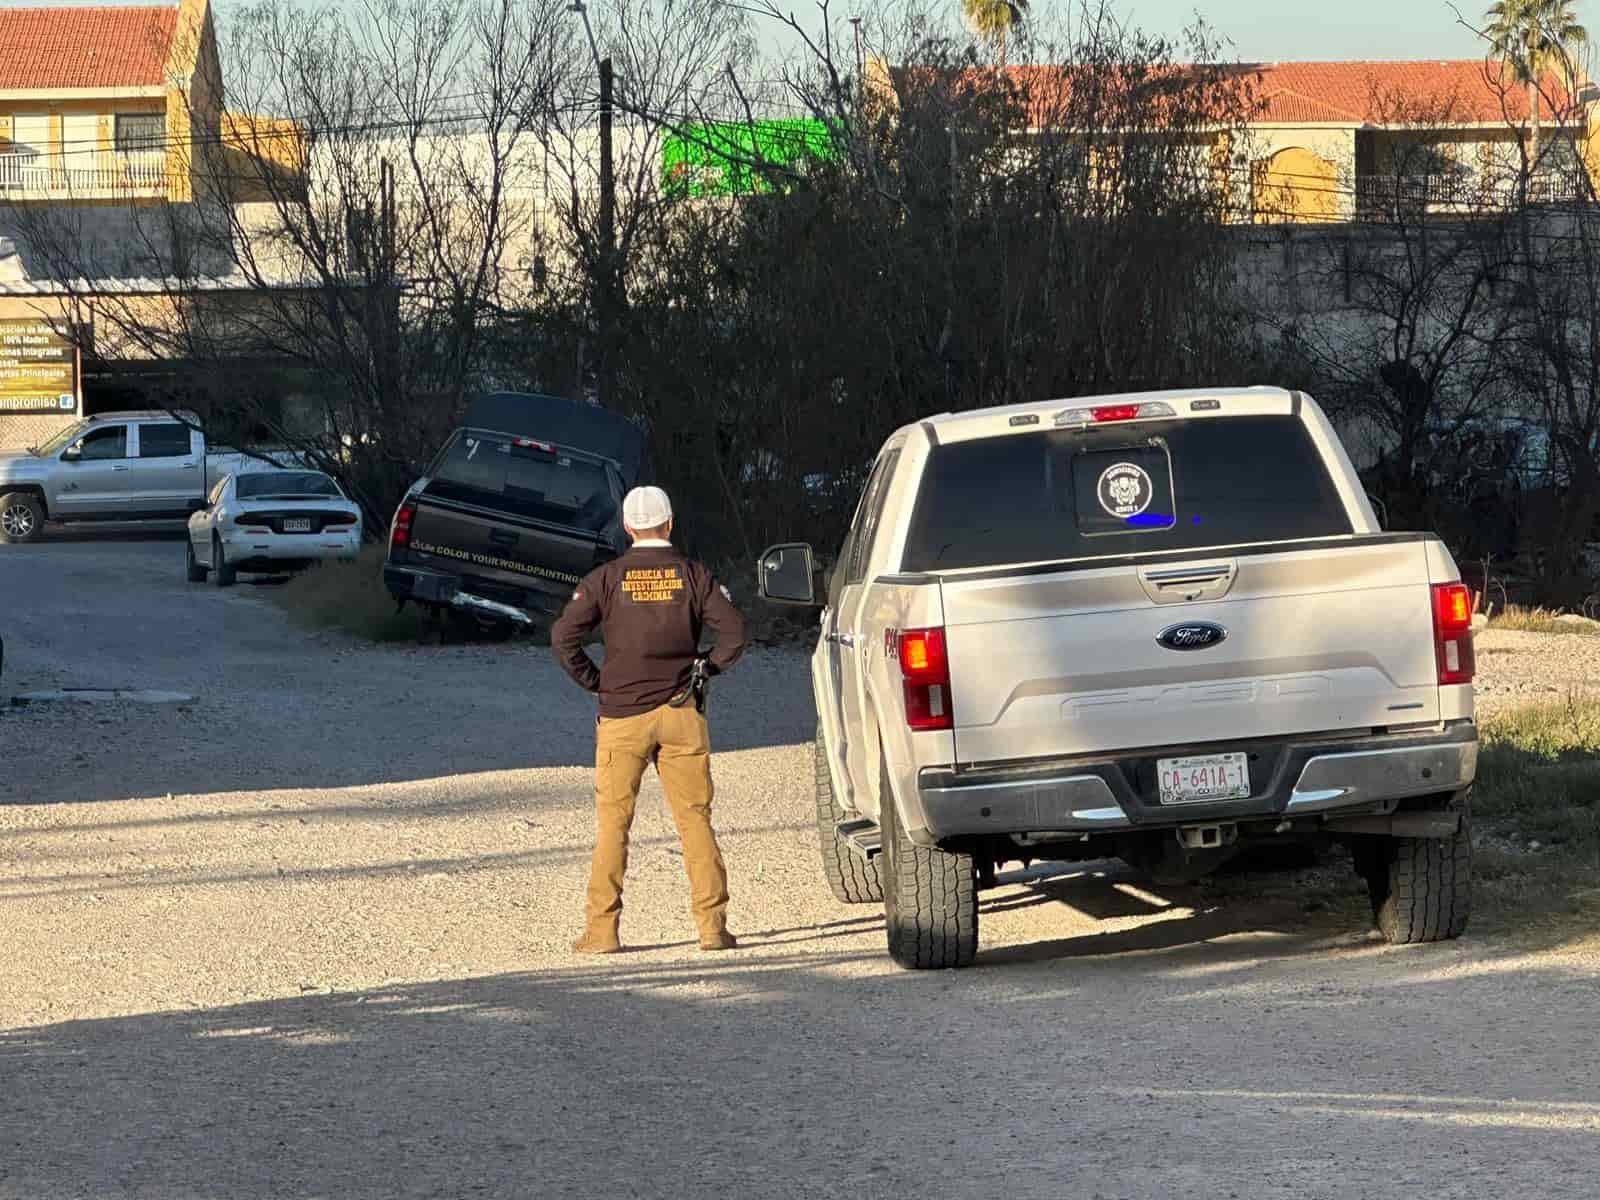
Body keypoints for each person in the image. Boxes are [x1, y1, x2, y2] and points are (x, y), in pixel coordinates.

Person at [551, 485, 748, 954]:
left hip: (621, 717)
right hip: (682, 712)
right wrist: (706, 668)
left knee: (613, 825)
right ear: (671, 523)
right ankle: (712, 927)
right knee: (695, 821)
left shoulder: (606, 578)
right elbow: (735, 633)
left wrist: (596, 682)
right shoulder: (694, 575)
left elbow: (563, 638)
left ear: (626, 528)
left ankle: (602, 932)